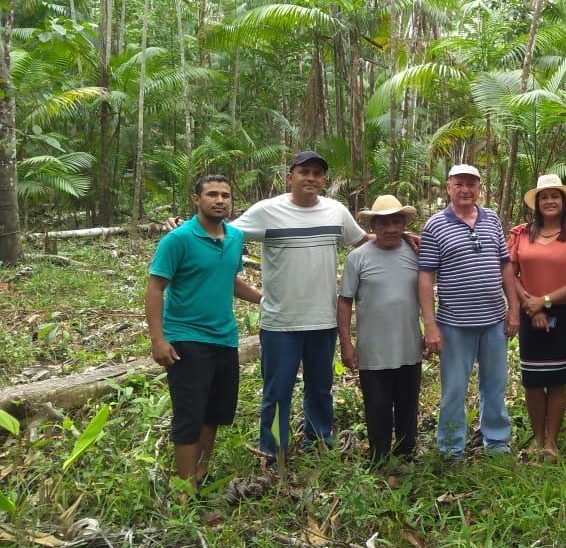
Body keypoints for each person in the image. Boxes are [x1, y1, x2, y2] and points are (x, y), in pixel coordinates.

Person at [170, 150, 373, 465]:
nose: (310, 178)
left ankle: (318, 442)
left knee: (320, 388)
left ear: (324, 180)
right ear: (290, 177)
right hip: (280, 322)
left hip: (323, 320)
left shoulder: (336, 212)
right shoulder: (266, 211)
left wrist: (401, 237)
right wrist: (184, 228)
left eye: (317, 173)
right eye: (303, 172)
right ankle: (274, 449)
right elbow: (221, 231)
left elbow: (363, 241)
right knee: (277, 392)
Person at [145, 174, 261, 498]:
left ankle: (201, 473)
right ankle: (185, 489)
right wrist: (158, 339)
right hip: (186, 339)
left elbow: (230, 280)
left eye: (225, 195)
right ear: (196, 199)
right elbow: (156, 288)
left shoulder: (235, 237)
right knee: (189, 415)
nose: (220, 200)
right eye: (212, 194)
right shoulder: (178, 239)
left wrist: (263, 299)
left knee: (215, 413)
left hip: (225, 338)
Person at [418, 164, 521, 460]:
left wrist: (513, 309)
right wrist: (430, 325)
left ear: (479, 188)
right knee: (453, 390)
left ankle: (497, 441)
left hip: (493, 322)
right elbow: (426, 276)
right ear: (448, 187)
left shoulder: (492, 220)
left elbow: (505, 265)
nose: (466, 190)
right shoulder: (435, 225)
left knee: (495, 386)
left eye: (472, 184)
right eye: (459, 184)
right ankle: (451, 448)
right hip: (454, 324)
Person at [507, 174, 566, 461]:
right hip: (529, 310)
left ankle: (552, 441)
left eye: (555, 196)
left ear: (563, 201)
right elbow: (510, 273)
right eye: (544, 197)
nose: (549, 201)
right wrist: (530, 305)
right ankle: (537, 436)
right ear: (537, 203)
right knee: (533, 380)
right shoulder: (521, 234)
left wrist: (544, 301)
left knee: (557, 380)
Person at [337, 195, 423, 464]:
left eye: (397, 222)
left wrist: (429, 333)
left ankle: (407, 454)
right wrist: (346, 344)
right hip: (373, 350)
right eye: (383, 223)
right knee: (377, 406)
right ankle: (379, 458)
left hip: (409, 346)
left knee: (408, 405)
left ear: (403, 225)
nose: (391, 229)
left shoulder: (415, 252)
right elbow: (344, 301)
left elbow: (428, 293)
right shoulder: (358, 258)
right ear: (373, 226)